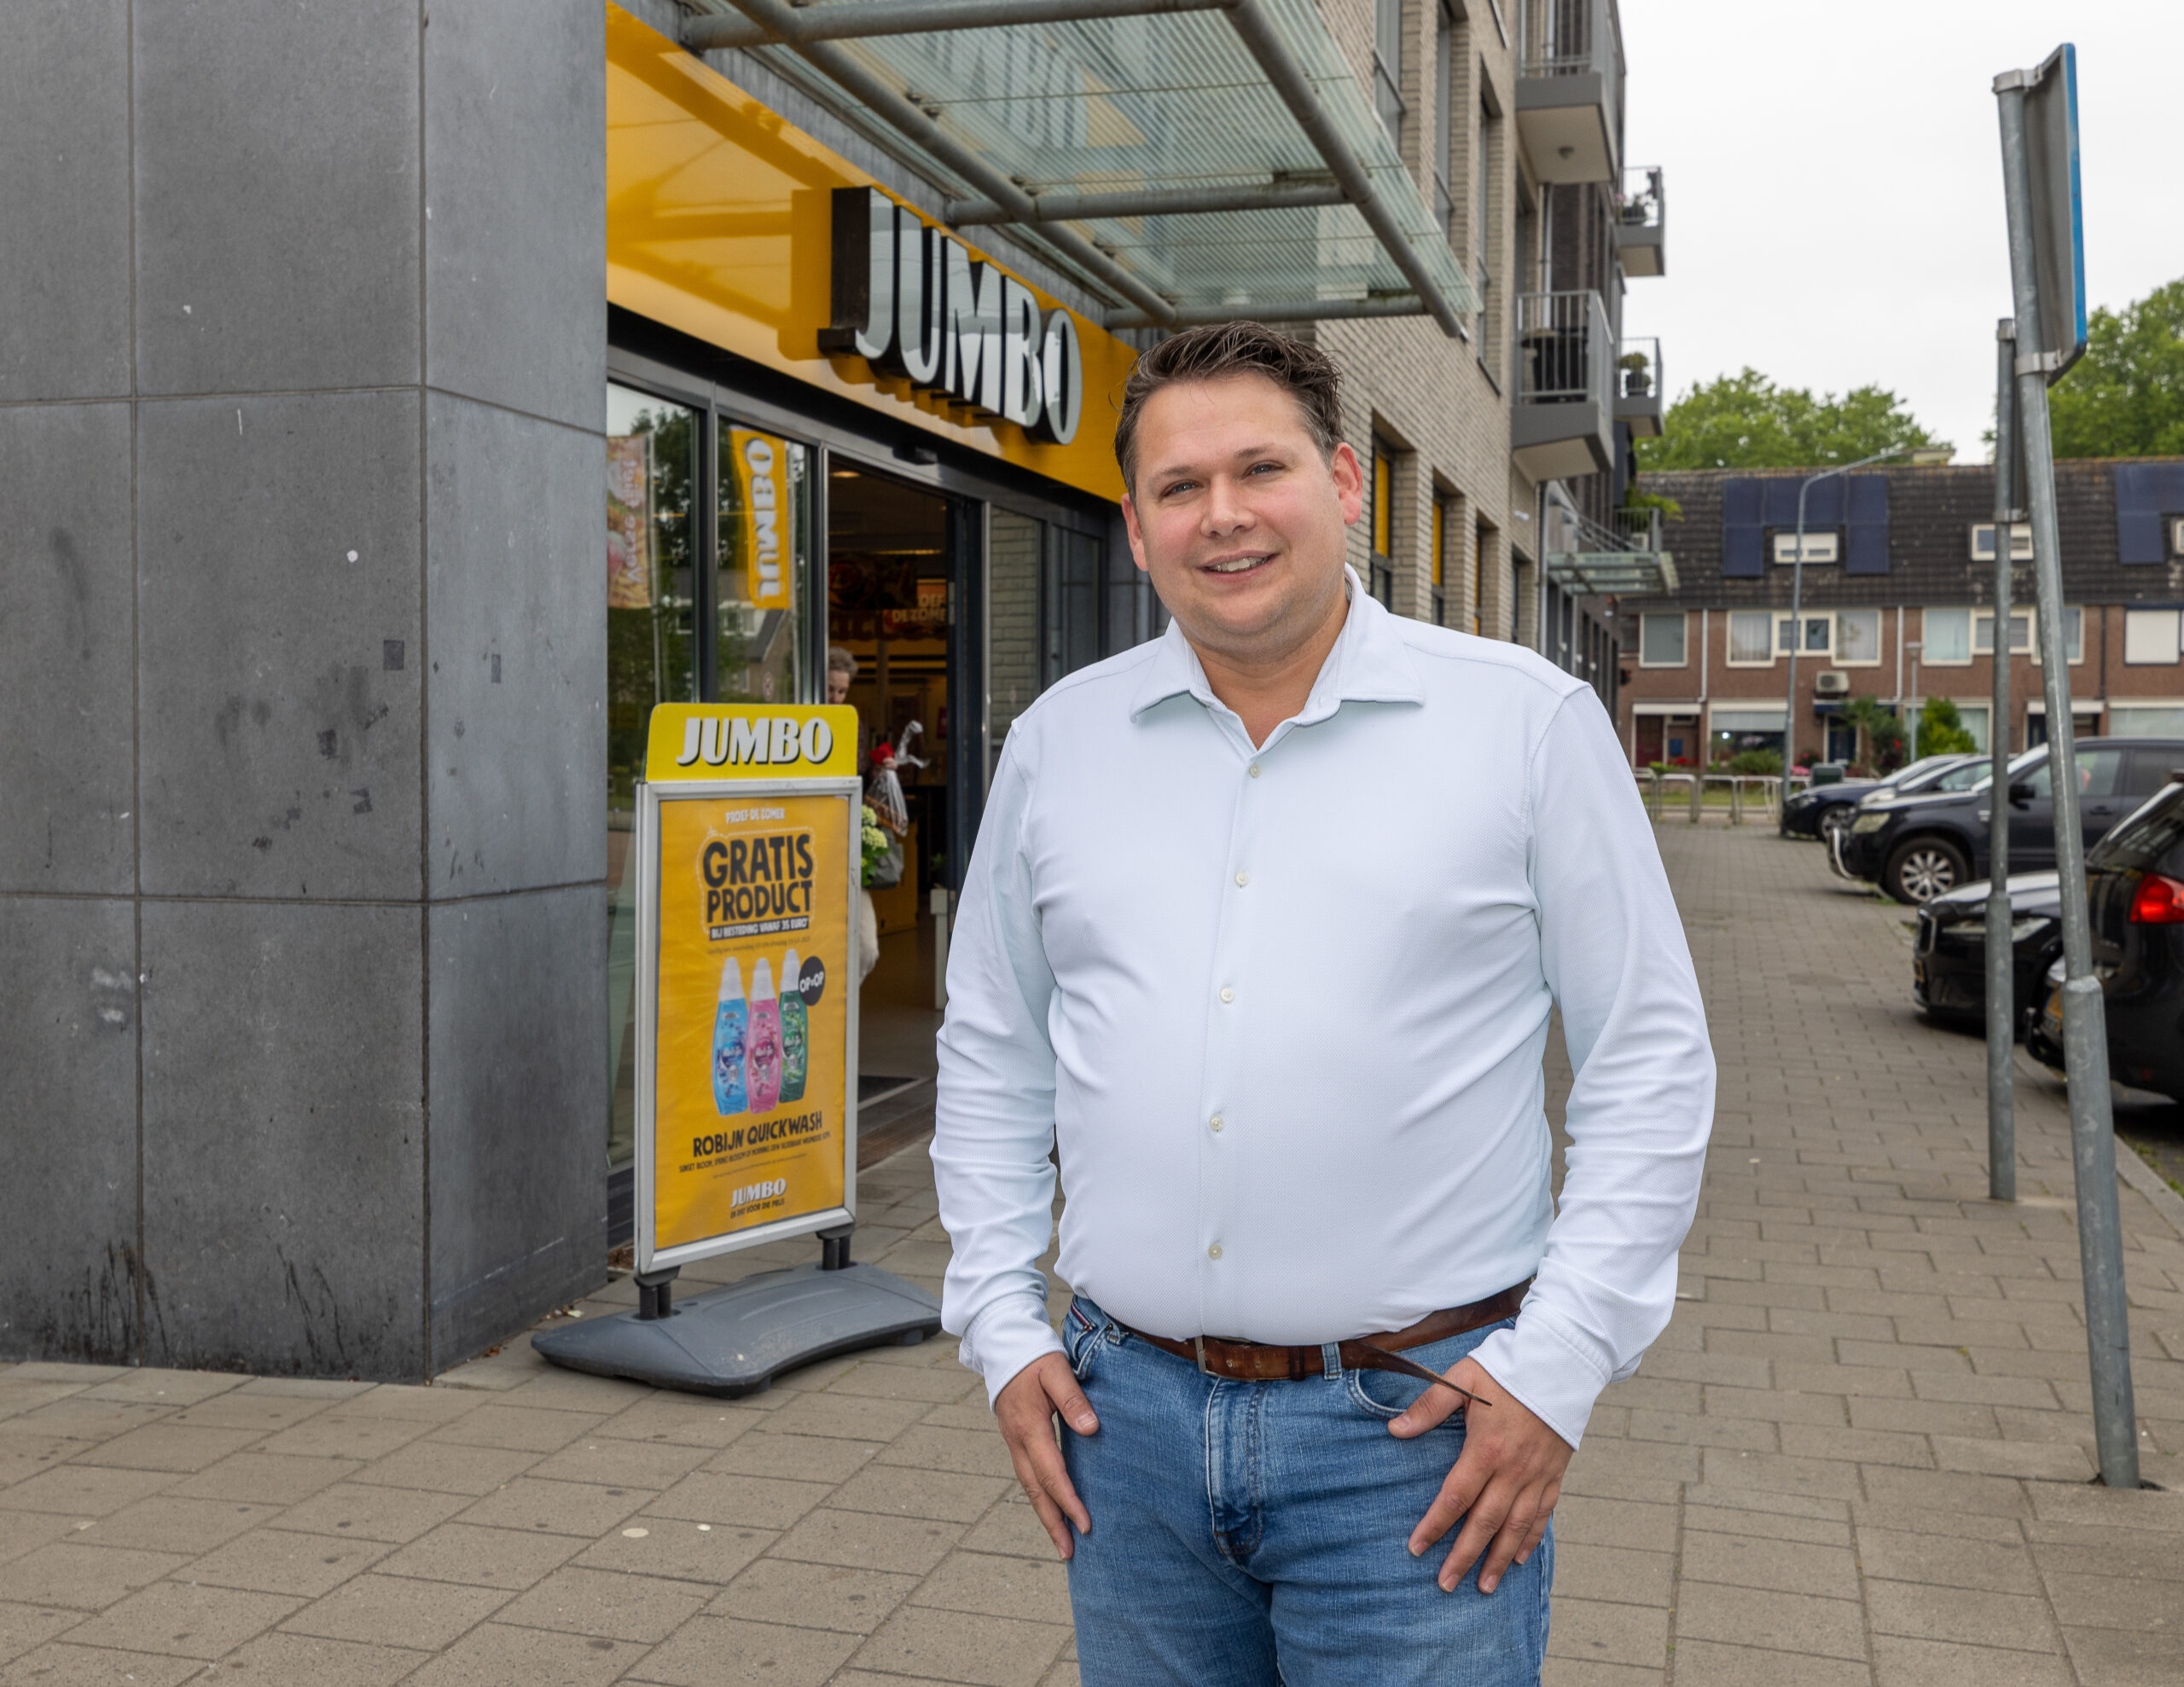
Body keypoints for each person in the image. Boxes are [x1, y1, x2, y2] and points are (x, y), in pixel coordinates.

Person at [932, 322, 1713, 1685]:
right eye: (1180, 486)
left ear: (1346, 484)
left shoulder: (1522, 724)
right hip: (1125, 1430)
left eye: (1260, 468)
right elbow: (995, 1048)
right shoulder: (1061, 742)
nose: (1222, 515)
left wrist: (1560, 1364)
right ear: (1134, 526)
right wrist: (999, 1326)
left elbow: (1646, 1054)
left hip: (1416, 1442)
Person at [828, 645, 884, 983]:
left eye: (842, 691)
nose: (836, 698)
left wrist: (880, 774)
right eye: (830, 689)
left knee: (866, 946)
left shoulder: (853, 726)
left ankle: (841, 1013)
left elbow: (857, 782)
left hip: (846, 846)